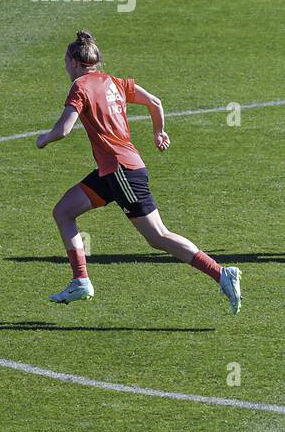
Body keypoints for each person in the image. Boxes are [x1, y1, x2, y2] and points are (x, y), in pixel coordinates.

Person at [36, 31, 241, 312]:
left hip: (121, 172)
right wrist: (159, 133)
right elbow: (155, 102)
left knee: (158, 236)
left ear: (74, 61)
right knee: (64, 211)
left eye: (64, 61)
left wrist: (44, 139)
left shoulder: (80, 86)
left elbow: (64, 129)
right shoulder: (114, 82)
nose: (64, 67)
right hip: (113, 171)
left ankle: (220, 273)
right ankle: (80, 280)